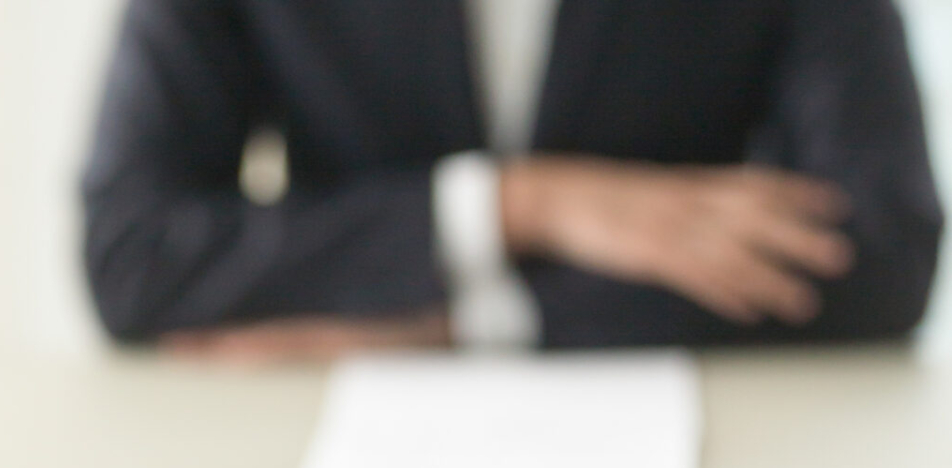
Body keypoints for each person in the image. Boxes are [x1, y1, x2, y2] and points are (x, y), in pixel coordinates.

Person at [83, 0, 945, 359]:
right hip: (323, 463)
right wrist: (521, 206)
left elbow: (884, 253)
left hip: (708, 466)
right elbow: (132, 253)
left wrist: (455, 322)